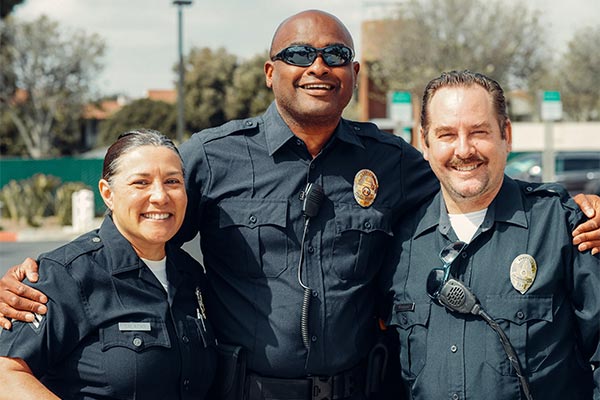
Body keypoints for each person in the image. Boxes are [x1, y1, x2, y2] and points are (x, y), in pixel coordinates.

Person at [1, 11, 600, 400]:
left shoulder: (391, 160)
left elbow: (472, 183)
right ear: (269, 72)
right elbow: (139, 223)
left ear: (354, 73)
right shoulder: (212, 156)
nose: (318, 66)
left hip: (363, 389)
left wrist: (579, 208)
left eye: (336, 56)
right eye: (298, 55)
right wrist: (43, 277)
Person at [382, 70, 599, 399]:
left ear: (506, 135)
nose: (464, 149)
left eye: (479, 131)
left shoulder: (563, 226)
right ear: (423, 143)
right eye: (446, 135)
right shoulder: (398, 243)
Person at [0, 129, 217, 399]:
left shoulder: (191, 276)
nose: (160, 196)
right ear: (107, 193)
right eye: (141, 183)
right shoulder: (67, 275)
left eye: (172, 181)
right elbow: (7, 373)